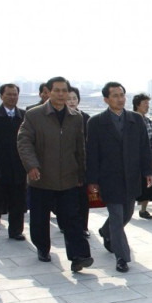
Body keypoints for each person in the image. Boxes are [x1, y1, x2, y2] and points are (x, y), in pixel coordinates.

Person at [17, 76, 93, 271]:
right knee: (40, 219)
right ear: (48, 92)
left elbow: (80, 148)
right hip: (41, 178)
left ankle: (79, 256)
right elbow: (24, 141)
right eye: (56, 90)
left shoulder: (76, 117)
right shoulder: (34, 115)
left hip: (68, 178)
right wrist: (32, 166)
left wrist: (81, 174)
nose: (61, 94)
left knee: (71, 218)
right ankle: (43, 248)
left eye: (64, 90)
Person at [86, 82, 152, 273]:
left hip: (131, 176)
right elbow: (91, 153)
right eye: (115, 95)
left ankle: (106, 232)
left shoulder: (135, 120)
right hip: (109, 178)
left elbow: (144, 148)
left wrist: (148, 171)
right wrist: (92, 181)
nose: (120, 99)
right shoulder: (96, 122)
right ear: (106, 99)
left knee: (127, 214)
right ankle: (122, 258)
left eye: (122, 95)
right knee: (116, 217)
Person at [0, 84, 27, 239]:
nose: (12, 97)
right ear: (1, 96)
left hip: (19, 167)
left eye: (15, 94)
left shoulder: (24, 115)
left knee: (18, 202)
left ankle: (16, 231)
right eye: (8, 94)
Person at [66, 87, 91, 236]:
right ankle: (67, 225)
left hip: (83, 165)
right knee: (67, 199)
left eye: (74, 98)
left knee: (83, 198)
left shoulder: (86, 118)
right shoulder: (60, 118)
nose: (72, 101)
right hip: (65, 166)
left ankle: (83, 227)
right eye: (69, 99)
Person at [132, 93, 152, 220]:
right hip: (132, 159)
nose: (147, 106)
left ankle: (143, 210)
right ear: (137, 105)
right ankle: (129, 208)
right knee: (132, 183)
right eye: (145, 104)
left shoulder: (149, 121)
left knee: (147, 184)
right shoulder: (130, 120)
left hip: (146, 158)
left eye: (148, 104)